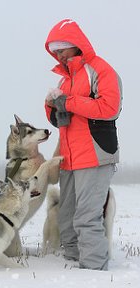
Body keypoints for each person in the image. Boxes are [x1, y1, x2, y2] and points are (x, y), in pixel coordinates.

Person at [44, 19, 122, 270]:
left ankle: (94, 271)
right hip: (69, 158)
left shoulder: (101, 70)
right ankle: (74, 267)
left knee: (87, 218)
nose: (59, 55)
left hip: (95, 156)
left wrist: (70, 102)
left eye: (62, 49)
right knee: (66, 219)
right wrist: (51, 105)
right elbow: (61, 121)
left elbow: (110, 108)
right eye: (55, 51)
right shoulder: (64, 80)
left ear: (76, 45)